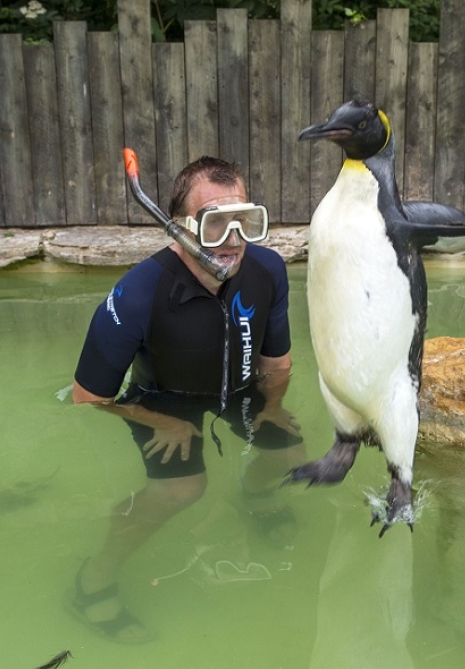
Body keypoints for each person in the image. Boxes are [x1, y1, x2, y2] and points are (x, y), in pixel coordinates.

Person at [71, 156, 302, 643]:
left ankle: (253, 496)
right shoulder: (138, 293)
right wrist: (156, 420)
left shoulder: (268, 272)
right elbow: (87, 398)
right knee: (182, 488)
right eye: (217, 224)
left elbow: (276, 364)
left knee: (289, 450)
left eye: (245, 221)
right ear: (181, 229)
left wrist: (273, 406)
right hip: (161, 400)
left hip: (235, 388)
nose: (234, 240)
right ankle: (93, 578)